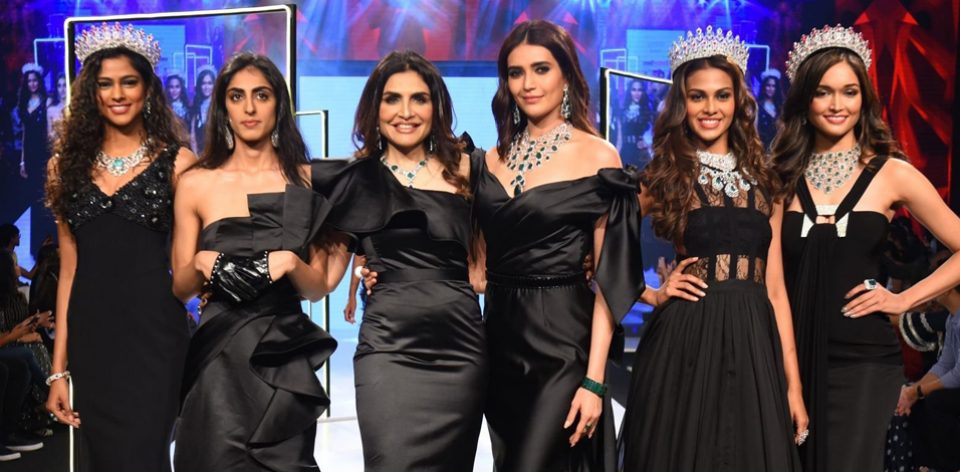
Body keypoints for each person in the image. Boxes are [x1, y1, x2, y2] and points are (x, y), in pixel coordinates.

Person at [773, 25, 960, 471]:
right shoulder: (779, 175)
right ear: (805, 100)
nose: (837, 104)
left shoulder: (892, 173)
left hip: (863, 361)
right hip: (788, 359)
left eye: (849, 92)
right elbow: (768, 278)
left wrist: (904, 301)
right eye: (823, 92)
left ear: (865, 99)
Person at [620, 26, 806, 471]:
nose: (710, 108)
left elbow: (776, 291)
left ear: (737, 100)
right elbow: (600, 240)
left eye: (722, 95)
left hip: (754, 343)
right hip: (687, 340)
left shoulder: (766, 182)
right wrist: (650, 294)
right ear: (681, 104)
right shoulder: (667, 174)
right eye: (697, 96)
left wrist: (794, 386)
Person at [473, 20, 645, 471]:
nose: (527, 84)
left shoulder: (599, 156)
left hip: (564, 346)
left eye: (541, 69)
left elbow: (610, 278)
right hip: (499, 345)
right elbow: (476, 268)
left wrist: (595, 380)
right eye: (516, 72)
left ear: (566, 74)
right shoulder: (489, 160)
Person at [171, 53, 348, 471]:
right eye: (237, 96)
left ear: (279, 104)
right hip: (217, 357)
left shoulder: (309, 181)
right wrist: (201, 263)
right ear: (223, 107)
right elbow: (180, 288)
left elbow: (318, 287)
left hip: (282, 353)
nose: (249, 108)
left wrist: (291, 264)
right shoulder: (196, 182)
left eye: (261, 95)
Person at [312, 50, 487, 471]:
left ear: (436, 106)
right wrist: (264, 265)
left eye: (418, 99)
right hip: (387, 350)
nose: (405, 112)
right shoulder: (357, 178)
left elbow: (485, 270)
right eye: (392, 99)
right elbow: (323, 280)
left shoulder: (469, 170)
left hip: (460, 351)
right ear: (375, 107)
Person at [43, 23, 193, 472]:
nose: (117, 94)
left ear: (148, 89)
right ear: (91, 93)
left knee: (145, 455)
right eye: (105, 84)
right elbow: (69, 273)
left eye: (129, 82)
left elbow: (189, 262)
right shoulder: (62, 168)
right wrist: (58, 370)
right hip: (94, 341)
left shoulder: (178, 162)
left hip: (156, 337)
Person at [896, 278, 960, 470]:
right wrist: (913, 392)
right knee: (920, 403)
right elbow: (944, 364)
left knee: (937, 401)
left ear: (948, 289)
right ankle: (925, 466)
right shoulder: (952, 318)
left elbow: (957, 374)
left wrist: (920, 391)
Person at [16, 63, 55, 253]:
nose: (32, 84)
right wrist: (22, 161)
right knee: (34, 198)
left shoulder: (47, 102)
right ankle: (36, 244)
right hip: (30, 156)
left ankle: (49, 239)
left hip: (44, 153)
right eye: (29, 81)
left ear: (39, 81)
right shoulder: (24, 104)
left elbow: (49, 131)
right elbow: (24, 134)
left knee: (46, 195)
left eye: (35, 80)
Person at [616, 79, 653, 168]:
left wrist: (647, 144)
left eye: (639, 90)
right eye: (634, 90)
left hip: (641, 154)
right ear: (629, 92)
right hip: (625, 152)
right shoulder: (622, 112)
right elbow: (619, 139)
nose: (637, 93)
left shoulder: (646, 112)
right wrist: (615, 157)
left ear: (643, 92)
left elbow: (655, 136)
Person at [189, 65, 215, 155]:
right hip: (199, 154)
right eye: (203, 83)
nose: (206, 87)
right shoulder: (196, 106)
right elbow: (192, 135)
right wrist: (196, 156)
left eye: (210, 83)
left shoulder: (220, 105)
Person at [757, 69, 782, 150]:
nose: (770, 89)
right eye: (768, 85)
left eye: (773, 86)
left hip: (777, 148)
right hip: (761, 148)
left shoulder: (780, 107)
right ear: (764, 87)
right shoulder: (758, 106)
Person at [47, 73, 68, 140]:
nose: (62, 89)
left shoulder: (74, 107)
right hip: (57, 144)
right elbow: (49, 134)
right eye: (59, 86)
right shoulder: (51, 110)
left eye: (65, 85)